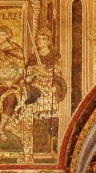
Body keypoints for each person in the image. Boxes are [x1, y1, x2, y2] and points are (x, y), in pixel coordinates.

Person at [25, 26, 66, 154]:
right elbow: (27, 79)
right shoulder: (32, 58)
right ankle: (38, 148)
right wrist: (36, 73)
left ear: (49, 41)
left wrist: (54, 87)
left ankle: (52, 148)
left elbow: (58, 76)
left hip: (49, 90)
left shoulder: (55, 56)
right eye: (38, 39)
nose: (40, 41)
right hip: (36, 91)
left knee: (50, 119)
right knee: (37, 120)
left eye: (43, 39)